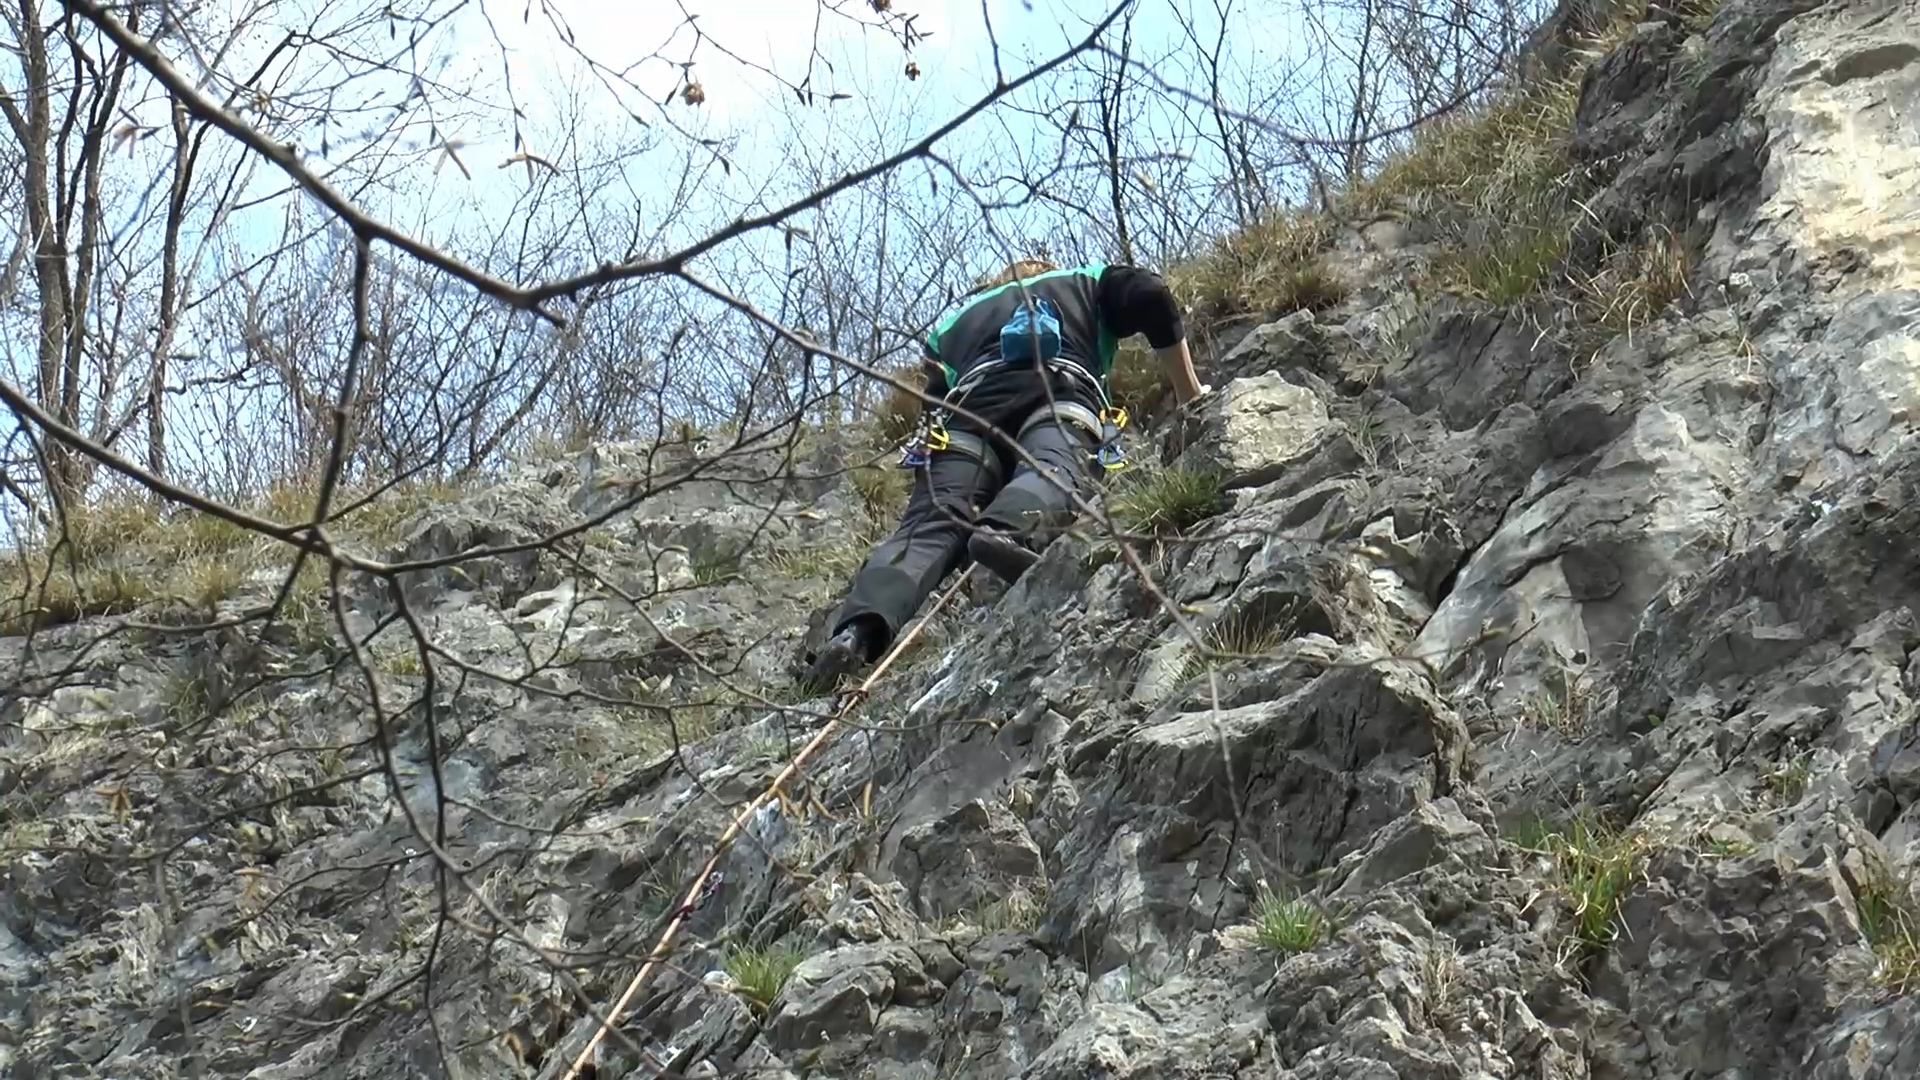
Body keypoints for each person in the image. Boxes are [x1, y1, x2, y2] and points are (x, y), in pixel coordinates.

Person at [800, 257, 1207, 693]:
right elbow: (1150, 294)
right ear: (1045, 270)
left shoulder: (953, 324)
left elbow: (932, 405)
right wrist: (1189, 393)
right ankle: (1005, 531)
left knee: (928, 524)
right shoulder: (1083, 282)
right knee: (1052, 465)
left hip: (964, 415)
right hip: (1058, 390)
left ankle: (857, 631)